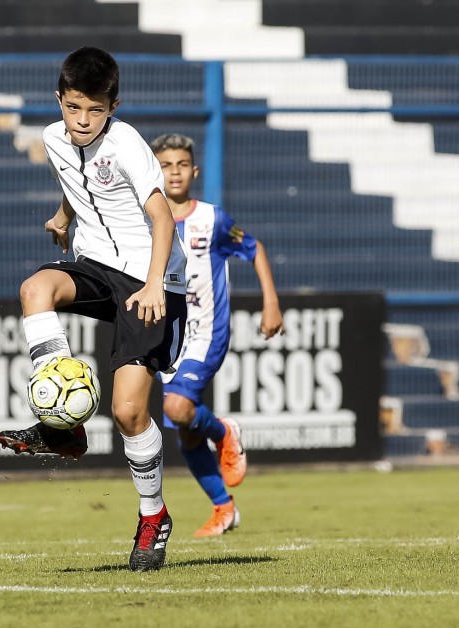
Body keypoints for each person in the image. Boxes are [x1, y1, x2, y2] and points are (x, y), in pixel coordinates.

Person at [0, 47, 187, 572]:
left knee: (128, 412)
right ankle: (64, 428)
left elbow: (163, 218)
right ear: (60, 100)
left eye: (95, 110)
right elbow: (72, 181)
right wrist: (62, 217)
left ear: (113, 106)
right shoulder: (53, 138)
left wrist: (152, 286)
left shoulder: (125, 142)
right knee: (36, 288)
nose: (82, 121)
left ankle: (154, 517)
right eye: (74, 107)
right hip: (98, 265)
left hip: (153, 279)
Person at [151, 133, 283, 537]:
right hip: (166, 337)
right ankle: (224, 507)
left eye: (181, 164)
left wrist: (271, 302)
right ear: (154, 171)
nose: (174, 172)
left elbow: (254, 248)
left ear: (194, 171)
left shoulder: (213, 219)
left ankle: (225, 432)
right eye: (165, 165)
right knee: (187, 430)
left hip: (207, 331)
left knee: (176, 409)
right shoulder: (144, 221)